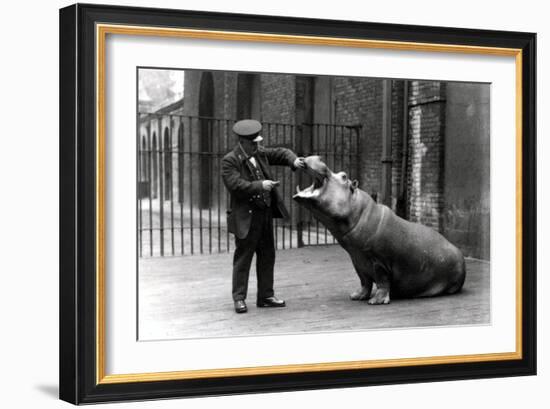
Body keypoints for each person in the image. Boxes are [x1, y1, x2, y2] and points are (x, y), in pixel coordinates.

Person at [222, 119, 306, 313]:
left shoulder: (258, 152)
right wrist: (261, 185)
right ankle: (239, 298)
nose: (257, 145)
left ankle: (266, 296)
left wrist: (293, 160)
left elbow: (282, 152)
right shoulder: (230, 161)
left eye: (257, 142)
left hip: (264, 214)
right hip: (246, 217)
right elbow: (235, 186)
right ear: (242, 142)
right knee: (244, 258)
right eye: (252, 143)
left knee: (268, 255)